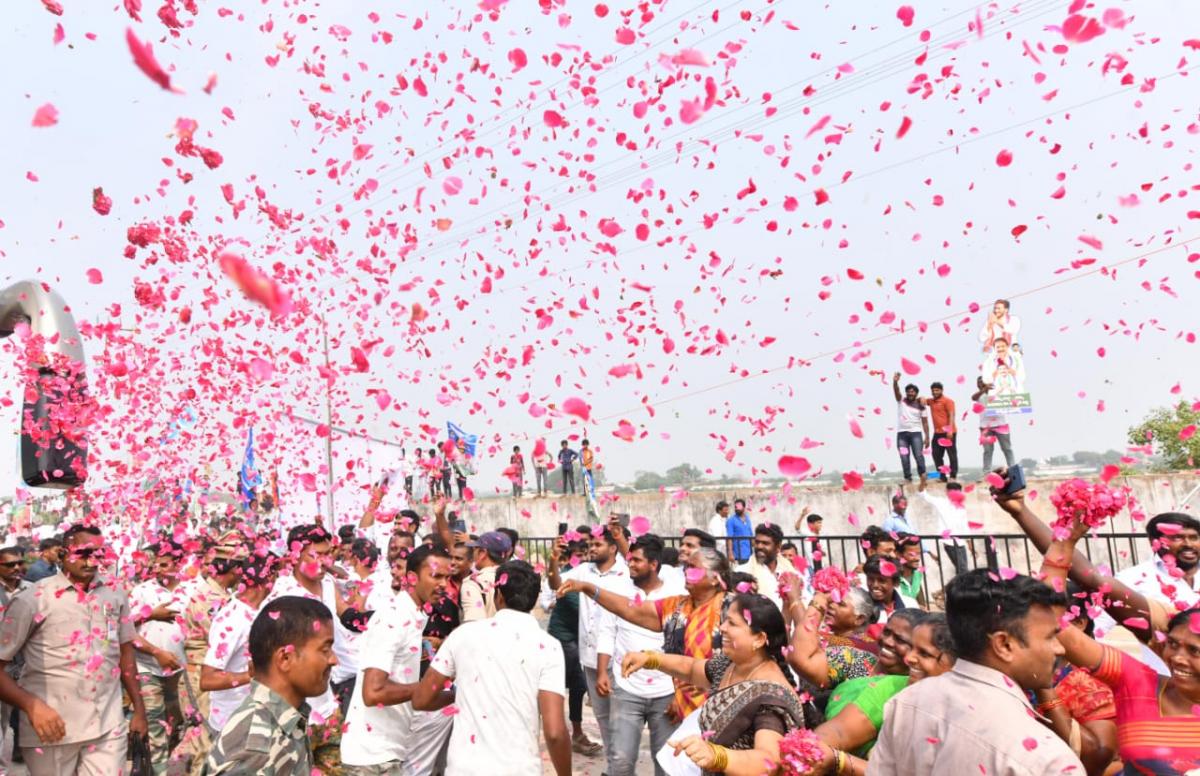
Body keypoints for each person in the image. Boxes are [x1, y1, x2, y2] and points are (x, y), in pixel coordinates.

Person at [866, 569, 1082, 775]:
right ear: (1004, 645)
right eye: (1050, 637)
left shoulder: (906, 702)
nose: (1060, 648)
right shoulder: (1047, 760)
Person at [1038, 516, 1199, 774]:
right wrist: (1064, 543)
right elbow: (1052, 622)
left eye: (1194, 651)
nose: (1178, 658)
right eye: (1172, 645)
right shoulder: (1136, 680)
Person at [0, 523, 149, 774]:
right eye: (83, 554)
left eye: (98, 555)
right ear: (62, 554)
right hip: (52, 728)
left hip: (107, 724)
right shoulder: (32, 599)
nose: (92, 562)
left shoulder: (114, 593)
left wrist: (139, 710)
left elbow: (125, 653)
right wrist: (32, 706)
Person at [414, 560, 571, 776]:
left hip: (464, 768)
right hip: (520, 769)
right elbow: (554, 733)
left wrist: (458, 695)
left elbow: (422, 699)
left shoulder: (462, 635)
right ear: (534, 599)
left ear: (498, 596)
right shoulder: (549, 647)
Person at [620, 594, 810, 772]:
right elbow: (692, 669)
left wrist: (717, 757)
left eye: (733, 623)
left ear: (759, 639)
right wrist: (651, 659)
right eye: (725, 620)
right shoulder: (732, 663)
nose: (723, 627)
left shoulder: (772, 696)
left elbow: (769, 760)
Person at [557, 546, 732, 722]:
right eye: (686, 567)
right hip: (686, 713)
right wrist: (589, 589)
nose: (687, 572)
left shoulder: (731, 609)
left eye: (694, 568)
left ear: (714, 579)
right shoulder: (677, 607)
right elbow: (631, 609)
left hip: (723, 711)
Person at [341, 544, 454, 776]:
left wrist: (456, 693)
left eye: (447, 577)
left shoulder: (415, 615)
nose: (443, 584)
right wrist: (428, 686)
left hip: (391, 751)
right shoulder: (393, 616)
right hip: (371, 757)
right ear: (412, 578)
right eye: (436, 576)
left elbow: (420, 699)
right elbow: (373, 693)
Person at [204, 596, 337, 775]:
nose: (334, 660)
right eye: (325, 650)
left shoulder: (284, 718)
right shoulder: (256, 748)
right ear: (285, 658)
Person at [816, 613, 956, 773]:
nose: (909, 658)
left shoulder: (969, 713)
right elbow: (839, 731)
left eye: (924, 653)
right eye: (912, 649)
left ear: (955, 664)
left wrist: (841, 761)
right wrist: (813, 749)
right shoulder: (891, 687)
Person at [596, 535, 683, 776]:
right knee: (621, 761)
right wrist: (602, 671)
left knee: (666, 763)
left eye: (636, 560)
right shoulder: (618, 591)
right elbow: (606, 633)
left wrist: (680, 692)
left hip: (666, 691)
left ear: (653, 564)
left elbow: (681, 646)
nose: (630, 564)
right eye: (629, 559)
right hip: (626, 689)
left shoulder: (676, 593)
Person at [267, 524, 350, 771]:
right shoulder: (281, 597)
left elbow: (346, 615)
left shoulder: (328, 586)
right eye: (317, 555)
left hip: (327, 705)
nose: (325, 562)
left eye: (328, 554)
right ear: (295, 556)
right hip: (296, 712)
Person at [546, 524, 629, 756]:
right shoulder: (583, 570)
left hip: (619, 656)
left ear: (613, 548)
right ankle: (615, 766)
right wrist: (553, 559)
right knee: (603, 716)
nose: (592, 548)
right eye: (590, 544)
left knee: (622, 716)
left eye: (597, 544)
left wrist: (620, 536)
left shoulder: (625, 570)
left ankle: (622, 765)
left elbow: (630, 554)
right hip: (590, 657)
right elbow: (555, 585)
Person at [176, 530, 246, 775]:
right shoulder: (210, 599)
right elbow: (219, 643)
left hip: (207, 676)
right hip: (202, 679)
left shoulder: (222, 596)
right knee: (204, 745)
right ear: (235, 569)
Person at [200, 551, 280, 741]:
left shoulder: (259, 609)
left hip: (255, 718)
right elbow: (207, 680)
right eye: (277, 575)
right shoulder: (233, 618)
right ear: (268, 577)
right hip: (233, 723)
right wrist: (251, 675)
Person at [130, 539, 189, 775]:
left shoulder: (192, 589)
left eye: (164, 564)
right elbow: (125, 630)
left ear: (179, 563)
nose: (159, 570)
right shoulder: (142, 591)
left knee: (179, 723)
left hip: (183, 673)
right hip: (148, 669)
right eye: (156, 565)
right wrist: (150, 615)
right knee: (154, 724)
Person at [539, 538, 601, 756]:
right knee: (569, 685)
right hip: (564, 639)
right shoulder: (571, 576)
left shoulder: (596, 575)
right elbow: (555, 583)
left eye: (589, 552)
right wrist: (553, 561)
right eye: (581, 554)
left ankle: (574, 733)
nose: (586, 557)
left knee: (576, 686)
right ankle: (569, 733)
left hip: (581, 639)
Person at [916, 481, 973, 577]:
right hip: (950, 542)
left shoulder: (961, 507)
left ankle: (956, 589)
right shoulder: (941, 502)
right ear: (947, 492)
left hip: (960, 542)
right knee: (962, 569)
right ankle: (959, 589)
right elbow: (923, 494)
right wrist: (922, 481)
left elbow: (965, 526)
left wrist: (969, 543)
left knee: (962, 569)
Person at [459, 530, 511, 622]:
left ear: (482, 553)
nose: (473, 553)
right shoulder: (516, 578)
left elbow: (474, 624)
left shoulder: (473, 583)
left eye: (475, 549)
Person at [737, 523, 787, 609]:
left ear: (778, 547)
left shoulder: (789, 571)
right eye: (757, 542)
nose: (759, 546)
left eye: (765, 543)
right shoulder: (742, 572)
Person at [891, 372, 929, 485]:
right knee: (904, 456)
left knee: (918, 455)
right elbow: (896, 392)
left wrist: (927, 437)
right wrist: (895, 382)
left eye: (913, 392)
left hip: (916, 434)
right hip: (902, 435)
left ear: (916, 393)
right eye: (908, 391)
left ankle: (923, 475)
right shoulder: (901, 401)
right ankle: (908, 478)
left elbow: (925, 422)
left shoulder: (921, 405)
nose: (910, 393)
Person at [972, 376, 1016, 471]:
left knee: (1007, 448)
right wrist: (984, 390)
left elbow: (1013, 399)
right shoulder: (979, 395)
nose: (981, 384)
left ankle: (1013, 468)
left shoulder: (998, 393)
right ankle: (986, 471)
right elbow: (973, 397)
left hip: (1001, 425)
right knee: (987, 451)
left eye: (982, 382)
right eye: (979, 382)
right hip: (985, 427)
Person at [862, 555, 917, 623]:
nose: (875, 585)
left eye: (882, 580)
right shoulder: (861, 606)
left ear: (896, 582)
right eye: (870, 579)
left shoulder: (909, 604)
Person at [924, 381, 957, 480]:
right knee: (936, 454)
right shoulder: (931, 401)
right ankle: (942, 476)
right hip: (937, 433)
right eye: (933, 390)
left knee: (951, 454)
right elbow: (922, 401)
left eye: (937, 390)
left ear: (942, 390)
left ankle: (953, 475)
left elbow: (951, 415)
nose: (935, 392)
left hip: (949, 432)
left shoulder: (948, 401)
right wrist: (920, 398)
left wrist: (950, 430)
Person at [895, 534, 927, 608]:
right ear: (899, 555)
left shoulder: (918, 574)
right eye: (912, 555)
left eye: (918, 554)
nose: (917, 558)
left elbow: (922, 604)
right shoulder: (893, 578)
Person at [725, 499, 753, 564]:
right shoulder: (731, 520)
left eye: (739, 507)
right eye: (735, 507)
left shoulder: (747, 518)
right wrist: (730, 553)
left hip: (749, 553)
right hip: (739, 554)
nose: (737, 509)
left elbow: (750, 534)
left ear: (744, 507)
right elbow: (729, 538)